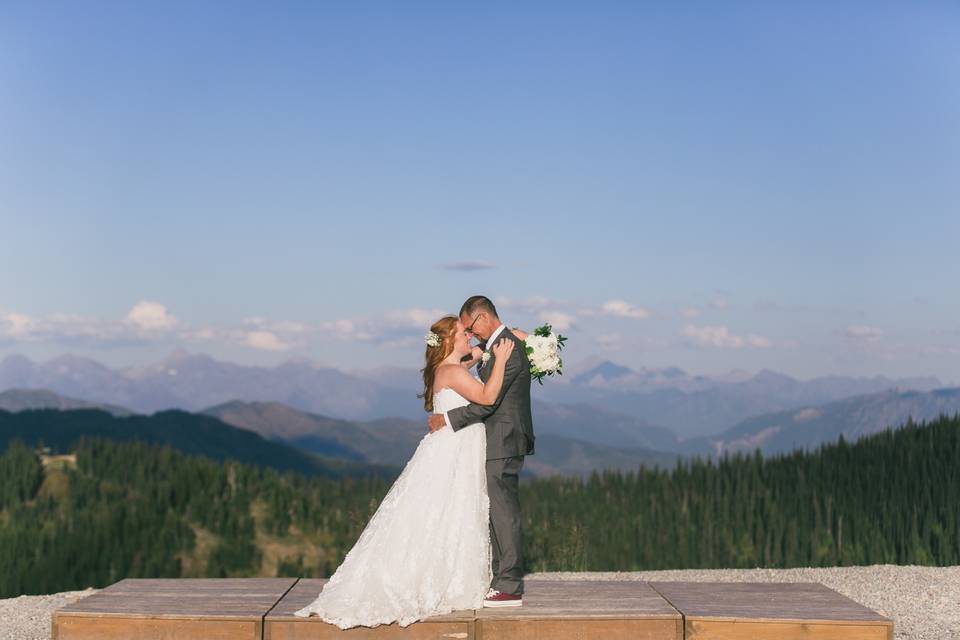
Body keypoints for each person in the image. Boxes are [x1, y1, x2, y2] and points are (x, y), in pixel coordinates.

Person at [292, 313, 517, 628]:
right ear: (450, 340)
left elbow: (479, 353)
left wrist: (504, 339)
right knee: (446, 511)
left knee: (450, 512)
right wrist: (504, 359)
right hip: (454, 451)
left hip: (457, 447)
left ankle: (450, 574)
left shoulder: (452, 368)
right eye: (463, 332)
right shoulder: (452, 371)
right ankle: (441, 580)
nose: (469, 336)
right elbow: (487, 396)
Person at [427, 295, 534, 607]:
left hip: (504, 438)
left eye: (471, 328)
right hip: (492, 440)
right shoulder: (496, 347)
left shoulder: (508, 350)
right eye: (465, 333)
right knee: (493, 510)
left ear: (484, 318)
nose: (471, 335)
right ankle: (501, 577)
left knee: (503, 511)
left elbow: (490, 401)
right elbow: (473, 362)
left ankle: (510, 585)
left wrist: (448, 418)